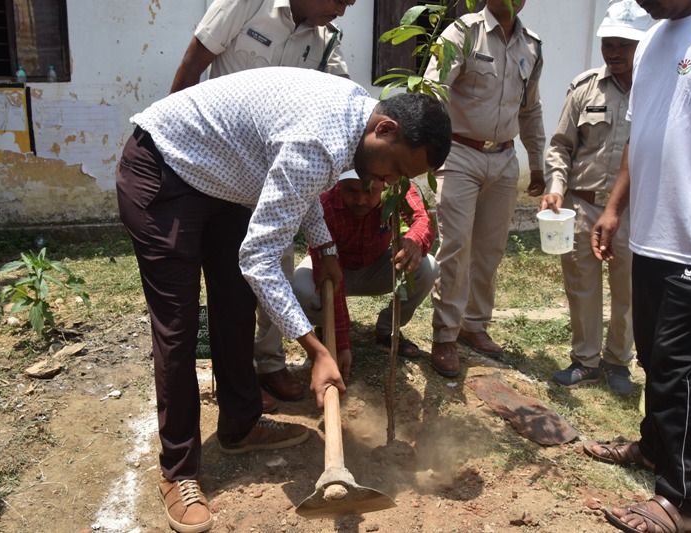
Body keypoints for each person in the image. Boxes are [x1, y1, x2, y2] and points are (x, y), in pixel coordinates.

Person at [116, 66, 451, 533]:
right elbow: (261, 257)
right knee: (180, 327)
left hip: (225, 183)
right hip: (167, 170)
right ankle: (179, 471)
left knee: (234, 308)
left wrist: (327, 247)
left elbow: (300, 185)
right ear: (386, 128)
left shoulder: (355, 120)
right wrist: (314, 350)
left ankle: (239, 425)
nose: (390, 180)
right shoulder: (324, 137)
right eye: (395, 167)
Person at [584, 0, 691, 531]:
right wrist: (615, 207)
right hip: (651, 235)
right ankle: (652, 449)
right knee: (653, 355)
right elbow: (637, 137)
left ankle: (682, 501)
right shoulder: (650, 42)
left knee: (680, 368)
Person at [170, 0, 356, 412]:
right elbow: (193, 62)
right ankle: (229, 376)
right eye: (341, 0)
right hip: (216, 170)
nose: (343, 11)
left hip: (271, 178)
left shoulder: (326, 45)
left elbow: (343, 113)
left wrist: (323, 245)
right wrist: (180, 143)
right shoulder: (247, 3)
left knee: (275, 271)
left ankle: (269, 365)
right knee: (219, 282)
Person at [423, 0, 545, 377]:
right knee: (456, 245)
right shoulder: (462, 33)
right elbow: (434, 91)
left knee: (490, 249)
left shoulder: (532, 44)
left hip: (505, 159)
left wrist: (537, 162)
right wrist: (429, 151)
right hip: (459, 153)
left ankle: (473, 325)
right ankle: (444, 335)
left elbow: (531, 108)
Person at [539, 0, 654, 397]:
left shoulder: (656, 88)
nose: (614, 51)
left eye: (625, 44)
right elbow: (560, 146)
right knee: (582, 285)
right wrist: (556, 188)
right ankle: (585, 360)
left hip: (633, 210)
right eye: (609, 42)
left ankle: (618, 361)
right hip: (583, 205)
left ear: (643, 44)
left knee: (629, 289)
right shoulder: (585, 86)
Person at [292, 170, 439, 378]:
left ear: (383, 185)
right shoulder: (324, 205)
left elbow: (423, 216)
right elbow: (330, 275)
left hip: (375, 267)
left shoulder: (395, 190)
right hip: (330, 267)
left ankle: (387, 330)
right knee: (301, 289)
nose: (361, 200)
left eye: (370, 191)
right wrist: (342, 343)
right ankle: (326, 327)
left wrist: (415, 240)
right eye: (351, 191)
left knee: (428, 267)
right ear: (338, 185)